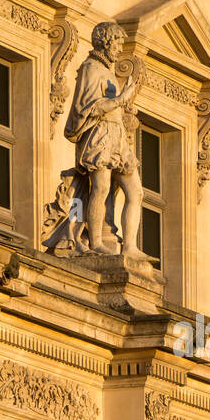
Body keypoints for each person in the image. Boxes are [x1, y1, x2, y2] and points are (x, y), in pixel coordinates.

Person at [63, 22, 142, 256]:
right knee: (101, 187)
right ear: (106, 42)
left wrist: (123, 102)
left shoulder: (107, 71)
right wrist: (121, 99)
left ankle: (129, 247)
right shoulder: (90, 68)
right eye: (117, 43)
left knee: (136, 191)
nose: (119, 49)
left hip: (117, 135)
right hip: (100, 134)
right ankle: (96, 242)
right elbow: (88, 108)